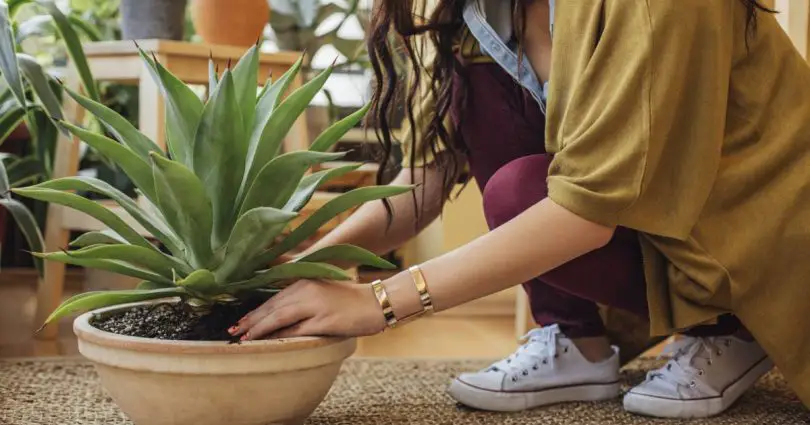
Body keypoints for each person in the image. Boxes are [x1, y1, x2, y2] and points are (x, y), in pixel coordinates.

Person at [228, 0, 810, 419]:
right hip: (660, 231)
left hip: (767, 241)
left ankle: (732, 327)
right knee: (510, 169)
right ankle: (573, 340)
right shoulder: (479, 15)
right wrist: (314, 264)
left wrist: (378, 303)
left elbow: (588, 209)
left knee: (522, 191)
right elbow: (426, 179)